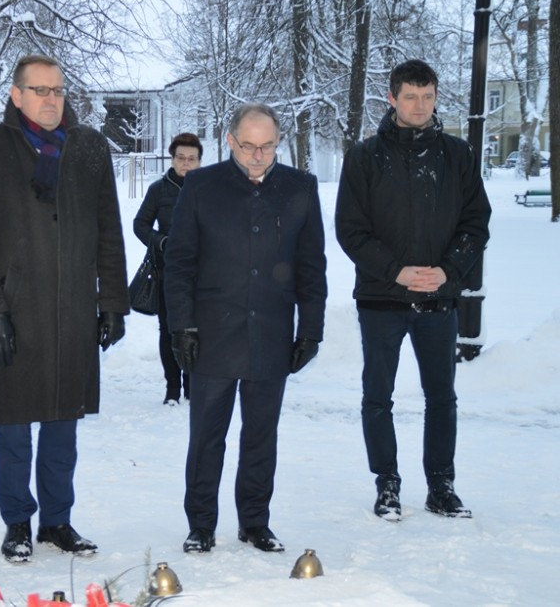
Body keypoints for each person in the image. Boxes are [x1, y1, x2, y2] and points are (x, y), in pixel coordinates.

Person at [0, 54, 129, 563]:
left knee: (63, 424)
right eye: (40, 90)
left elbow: (109, 229)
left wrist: (112, 302)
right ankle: (17, 522)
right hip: (15, 308)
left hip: (73, 308)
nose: (51, 99)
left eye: (57, 90)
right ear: (16, 95)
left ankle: (57, 520)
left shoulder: (89, 147)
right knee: (15, 427)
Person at [163, 102, 327, 555]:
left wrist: (310, 330)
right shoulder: (201, 186)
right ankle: (201, 524)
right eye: (249, 146)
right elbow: (179, 263)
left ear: (278, 143)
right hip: (212, 334)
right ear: (231, 141)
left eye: (267, 146)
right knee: (206, 437)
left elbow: (312, 266)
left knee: (260, 436)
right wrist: (182, 326)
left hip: (271, 333)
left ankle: (255, 521)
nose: (258, 156)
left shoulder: (300, 188)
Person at [335, 59, 491, 522]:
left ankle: (441, 486)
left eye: (427, 96)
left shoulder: (457, 155)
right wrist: (396, 272)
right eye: (410, 96)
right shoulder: (365, 157)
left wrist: (447, 271)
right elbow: (350, 229)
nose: (420, 105)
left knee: (442, 397)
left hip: (438, 300)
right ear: (392, 99)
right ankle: (387, 484)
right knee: (377, 396)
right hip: (381, 299)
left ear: (436, 97)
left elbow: (476, 223)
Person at [133, 132, 201, 405]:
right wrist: (160, 241)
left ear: (199, 161)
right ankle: (173, 388)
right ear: (172, 159)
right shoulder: (158, 190)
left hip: (201, 274)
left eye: (192, 159)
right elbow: (140, 224)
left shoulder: (208, 190)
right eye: (181, 158)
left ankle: (193, 387)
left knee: (196, 330)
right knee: (169, 329)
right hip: (167, 272)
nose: (186, 163)